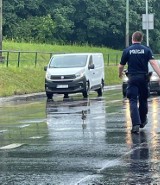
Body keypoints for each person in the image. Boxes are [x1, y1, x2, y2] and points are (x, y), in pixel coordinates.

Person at [118, 31, 160, 133]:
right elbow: (153, 63)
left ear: (132, 39)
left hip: (132, 78)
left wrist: (120, 74)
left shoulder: (127, 50)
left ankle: (136, 124)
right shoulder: (146, 50)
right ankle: (143, 120)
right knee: (143, 99)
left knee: (132, 100)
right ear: (141, 39)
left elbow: (121, 65)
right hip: (143, 78)